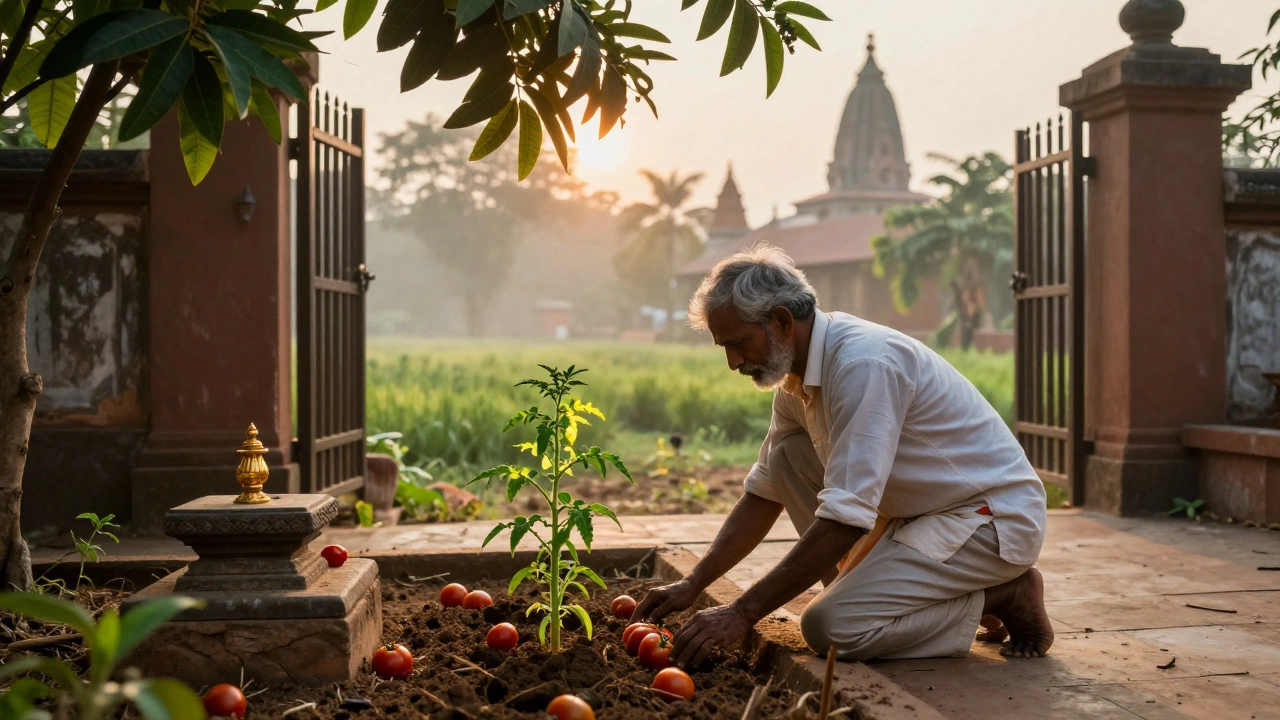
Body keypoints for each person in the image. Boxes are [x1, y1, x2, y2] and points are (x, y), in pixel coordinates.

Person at [631, 244, 1052, 668]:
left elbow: (846, 518)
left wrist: (742, 612)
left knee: (831, 630)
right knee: (787, 458)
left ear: (781, 321)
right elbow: (763, 493)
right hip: (919, 515)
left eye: (739, 343)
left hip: (987, 521)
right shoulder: (797, 378)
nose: (733, 361)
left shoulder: (862, 364)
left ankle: (1005, 595)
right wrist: (693, 582)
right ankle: (870, 596)